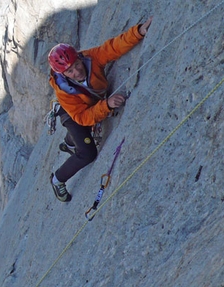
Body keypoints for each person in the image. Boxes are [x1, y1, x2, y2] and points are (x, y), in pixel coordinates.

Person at [48, 17, 153, 202]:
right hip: (72, 114)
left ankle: (70, 143)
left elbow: (111, 48)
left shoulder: (90, 58)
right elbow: (81, 117)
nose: (77, 72)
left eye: (77, 65)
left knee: (81, 136)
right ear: (62, 74)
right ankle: (57, 180)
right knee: (88, 153)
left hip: (86, 105)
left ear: (79, 58)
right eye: (70, 72)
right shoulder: (64, 91)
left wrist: (139, 32)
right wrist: (106, 105)